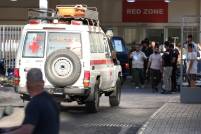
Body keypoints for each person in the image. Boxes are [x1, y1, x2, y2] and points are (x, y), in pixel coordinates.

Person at [1, 68, 60, 134]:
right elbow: (37, 125)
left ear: (27, 84)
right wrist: (10, 129)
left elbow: (26, 131)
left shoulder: (35, 104)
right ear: (43, 83)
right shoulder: (51, 100)